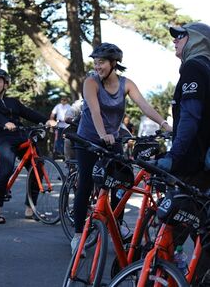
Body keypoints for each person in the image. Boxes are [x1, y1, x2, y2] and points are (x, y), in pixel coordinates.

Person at [71, 42, 172, 253]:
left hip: (112, 139)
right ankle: (78, 234)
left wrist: (164, 124)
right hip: (89, 139)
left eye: (102, 63)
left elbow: (144, 106)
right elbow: (95, 111)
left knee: (120, 185)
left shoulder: (126, 84)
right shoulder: (91, 82)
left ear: (114, 63)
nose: (97, 67)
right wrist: (101, 135)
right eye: (96, 62)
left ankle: (116, 226)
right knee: (86, 183)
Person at [156, 23, 210, 284]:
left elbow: (190, 117)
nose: (175, 40)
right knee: (203, 230)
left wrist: (173, 156)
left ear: (197, 40)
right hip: (204, 163)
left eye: (180, 36)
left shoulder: (194, 67)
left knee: (174, 222)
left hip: (192, 164)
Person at [0, 68, 56, 224]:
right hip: (4, 138)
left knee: (38, 167)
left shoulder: (12, 102)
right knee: (6, 171)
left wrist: (46, 121)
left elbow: (28, 113)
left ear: (5, 85)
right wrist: (5, 123)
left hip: (21, 136)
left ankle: (30, 208)